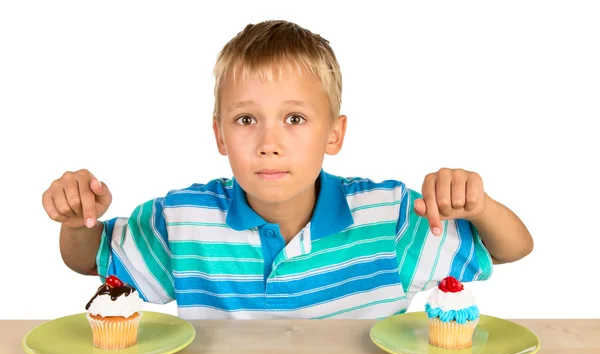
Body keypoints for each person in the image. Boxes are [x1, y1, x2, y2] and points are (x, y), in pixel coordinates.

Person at [41, 20, 533, 320]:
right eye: (246, 119)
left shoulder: (388, 219)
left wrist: (480, 205)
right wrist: (75, 218)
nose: (269, 143)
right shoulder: (183, 219)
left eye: (294, 119)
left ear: (334, 134)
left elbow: (510, 249)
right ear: (219, 135)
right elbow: (90, 261)